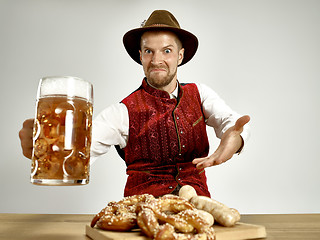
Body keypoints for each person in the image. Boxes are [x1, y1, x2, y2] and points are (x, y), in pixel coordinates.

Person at [19, 10, 250, 198]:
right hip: (141, 217)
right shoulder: (122, 112)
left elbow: (231, 122)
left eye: (167, 51)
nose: (157, 60)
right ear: (140, 55)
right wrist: (50, 148)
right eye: (149, 51)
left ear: (180, 56)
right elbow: (82, 150)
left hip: (198, 210)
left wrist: (234, 137)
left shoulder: (201, 94)